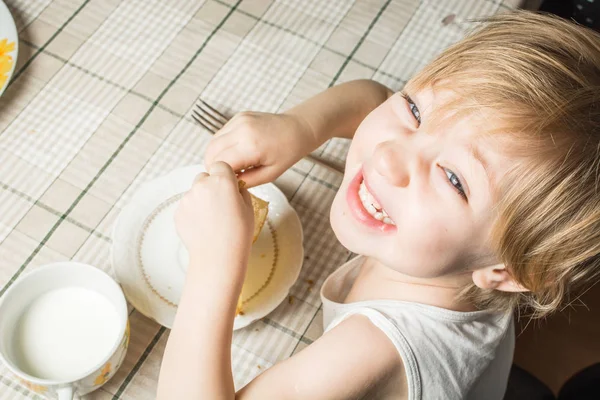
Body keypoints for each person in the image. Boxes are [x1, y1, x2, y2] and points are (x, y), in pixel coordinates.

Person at [156, 11, 600, 400]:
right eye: (415, 111)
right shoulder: (466, 260)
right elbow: (373, 97)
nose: (389, 156)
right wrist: (300, 127)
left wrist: (215, 262)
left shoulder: (372, 349)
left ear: (507, 271)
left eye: (453, 178)